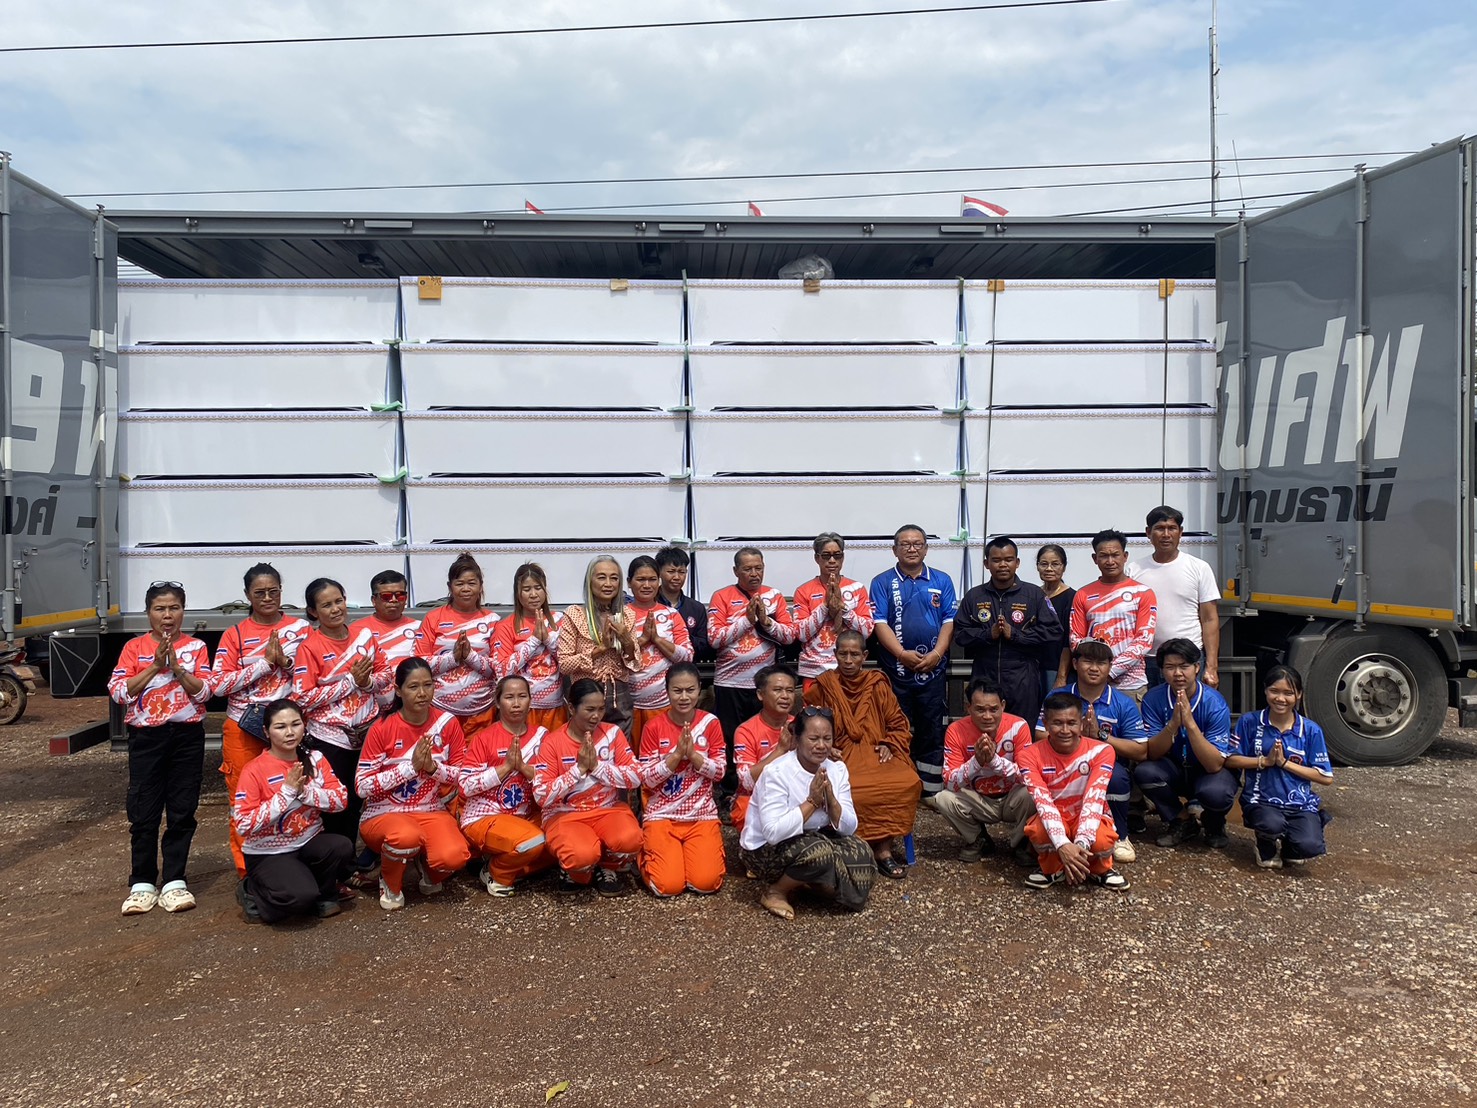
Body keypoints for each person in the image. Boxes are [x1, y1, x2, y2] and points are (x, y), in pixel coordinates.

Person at [110, 582, 212, 915]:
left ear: (183, 611)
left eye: (174, 608)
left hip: (186, 736)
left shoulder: (196, 647)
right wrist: (155, 665)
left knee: (182, 808)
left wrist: (177, 668)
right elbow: (119, 692)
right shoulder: (133, 647)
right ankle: (141, 882)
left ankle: (174, 881)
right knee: (144, 809)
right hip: (146, 739)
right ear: (148, 613)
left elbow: (205, 692)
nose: (167, 616)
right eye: (160, 609)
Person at [210, 563, 311, 880]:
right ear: (247, 595)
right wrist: (265, 665)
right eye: (259, 593)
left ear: (282, 591)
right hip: (244, 728)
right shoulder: (235, 634)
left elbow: (313, 674)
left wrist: (287, 662)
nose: (267, 598)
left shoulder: (301, 629)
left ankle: (299, 867)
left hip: (289, 730)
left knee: (298, 797)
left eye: (273, 591)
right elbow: (218, 685)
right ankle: (248, 876)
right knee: (243, 802)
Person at [738, 706, 876, 919]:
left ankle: (809, 879)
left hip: (815, 837)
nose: (821, 746)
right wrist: (812, 802)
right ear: (797, 739)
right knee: (819, 852)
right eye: (813, 739)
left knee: (862, 852)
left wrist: (831, 800)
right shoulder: (776, 772)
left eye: (827, 739)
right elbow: (773, 833)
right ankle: (775, 892)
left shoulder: (837, 769)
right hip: (766, 849)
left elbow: (849, 828)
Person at [804, 629, 921, 879]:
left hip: (875, 750)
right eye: (843, 654)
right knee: (854, 787)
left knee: (905, 782)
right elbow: (807, 726)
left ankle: (883, 849)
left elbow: (897, 724)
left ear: (864, 656)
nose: (848, 661)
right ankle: (854, 845)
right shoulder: (825, 685)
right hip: (839, 754)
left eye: (854, 655)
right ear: (835, 654)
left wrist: (890, 743)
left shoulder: (877, 684)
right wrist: (825, 746)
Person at [356, 658, 471, 911]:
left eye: (428, 685)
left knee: (455, 856)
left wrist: (433, 769)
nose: (422, 693)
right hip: (384, 813)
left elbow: (462, 777)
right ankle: (390, 882)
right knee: (405, 837)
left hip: (430, 810)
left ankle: (427, 869)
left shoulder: (447, 723)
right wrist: (410, 768)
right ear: (398, 690)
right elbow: (362, 786)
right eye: (413, 687)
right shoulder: (382, 727)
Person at [231, 699, 355, 923]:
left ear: (304, 725)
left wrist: (305, 793)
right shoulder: (254, 769)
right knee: (299, 898)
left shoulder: (315, 759)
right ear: (266, 732)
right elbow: (243, 824)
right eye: (280, 727)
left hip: (307, 842)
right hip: (268, 852)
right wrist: (286, 794)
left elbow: (341, 800)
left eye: (295, 724)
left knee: (341, 846)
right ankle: (251, 889)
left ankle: (323, 895)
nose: (290, 732)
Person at [531, 678, 644, 896]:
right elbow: (541, 796)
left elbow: (637, 777)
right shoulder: (552, 742)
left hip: (607, 810)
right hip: (565, 815)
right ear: (571, 708)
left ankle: (606, 866)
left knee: (631, 839)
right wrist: (578, 770)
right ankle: (578, 871)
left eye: (601, 709)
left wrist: (598, 767)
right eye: (590, 709)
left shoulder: (612, 733)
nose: (596, 716)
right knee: (581, 855)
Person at [869, 525, 957, 800]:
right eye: (905, 544)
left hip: (933, 670)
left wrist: (937, 654)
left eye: (917, 543)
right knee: (896, 727)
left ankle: (930, 790)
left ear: (926, 549)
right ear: (894, 550)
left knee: (932, 728)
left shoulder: (942, 580)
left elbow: (949, 621)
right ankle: (900, 787)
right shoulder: (882, 582)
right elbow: (879, 622)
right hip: (896, 670)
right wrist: (901, 654)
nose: (911, 548)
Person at [292, 577, 383, 845]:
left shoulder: (365, 636)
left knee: (361, 800)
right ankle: (337, 862)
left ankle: (354, 857)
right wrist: (350, 682)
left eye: (339, 601)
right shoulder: (309, 647)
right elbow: (302, 698)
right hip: (330, 738)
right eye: (326, 605)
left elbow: (387, 675)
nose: (335, 609)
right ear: (313, 612)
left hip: (368, 734)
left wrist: (367, 683)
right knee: (335, 804)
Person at [1041, 640, 1150, 863]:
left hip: (1108, 767)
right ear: (1075, 664)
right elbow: (1039, 735)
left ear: (1110, 667)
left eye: (1101, 663)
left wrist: (1101, 737)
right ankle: (1059, 833)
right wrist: (1077, 738)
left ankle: (1120, 835)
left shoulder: (1123, 703)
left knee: (1116, 776)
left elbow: (1140, 750)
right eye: (1088, 661)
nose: (1094, 668)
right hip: (1064, 763)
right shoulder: (1058, 696)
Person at [708, 547, 797, 805]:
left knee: (762, 739)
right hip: (729, 683)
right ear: (736, 571)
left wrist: (765, 621)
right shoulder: (722, 596)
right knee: (729, 738)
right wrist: (746, 621)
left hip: (764, 686)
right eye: (747, 569)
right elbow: (714, 639)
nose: (754, 573)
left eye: (758, 568)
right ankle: (730, 792)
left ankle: (766, 789)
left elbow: (790, 636)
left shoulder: (774, 596)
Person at [1017, 692, 1129, 891]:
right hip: (1054, 813)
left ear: (1082, 723)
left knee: (1101, 840)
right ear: (1045, 724)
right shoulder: (1028, 755)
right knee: (1039, 832)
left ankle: (1099, 869)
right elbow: (1042, 801)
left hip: (1086, 814)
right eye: (1057, 723)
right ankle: (1052, 868)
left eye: (1071, 723)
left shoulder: (1102, 751)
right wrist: (1062, 844)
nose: (1065, 730)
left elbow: (1094, 799)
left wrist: (1081, 846)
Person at [1224, 666, 1333, 868]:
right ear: (1265, 690)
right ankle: (1265, 844)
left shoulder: (1311, 730)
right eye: (1274, 691)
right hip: (1261, 800)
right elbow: (1230, 759)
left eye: (1288, 693)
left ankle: (1293, 845)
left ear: (1299, 694)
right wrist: (1264, 761)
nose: (1280, 699)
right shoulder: (1249, 722)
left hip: (1300, 804)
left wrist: (1284, 763)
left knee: (1309, 846)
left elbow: (1325, 777)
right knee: (1270, 825)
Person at [1133, 638, 1236, 850]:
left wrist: (1190, 724)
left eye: (1184, 666)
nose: (1178, 673)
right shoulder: (1154, 698)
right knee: (1145, 772)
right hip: (1174, 767)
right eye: (1170, 667)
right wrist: (1172, 725)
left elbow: (1214, 764)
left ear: (1197, 667)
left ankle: (1214, 822)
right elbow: (1152, 753)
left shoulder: (1214, 702)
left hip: (1205, 770)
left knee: (1217, 792)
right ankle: (1181, 820)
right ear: (1162, 671)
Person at [458, 674, 555, 897]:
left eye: (522, 696)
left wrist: (524, 768)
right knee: (533, 841)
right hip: (486, 817)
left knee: (561, 838)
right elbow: (465, 785)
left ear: (530, 700)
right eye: (509, 697)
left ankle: (510, 863)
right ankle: (497, 872)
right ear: (498, 702)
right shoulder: (484, 738)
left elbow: (552, 779)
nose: (516, 703)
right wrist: (504, 769)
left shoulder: (542, 736)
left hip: (525, 815)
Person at [953, 536, 1061, 734]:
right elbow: (960, 634)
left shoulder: (1034, 595)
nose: (1003, 565)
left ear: (1017, 562)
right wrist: (988, 634)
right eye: (996, 560)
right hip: (985, 675)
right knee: (984, 731)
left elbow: (1053, 631)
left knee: (1022, 731)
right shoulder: (974, 596)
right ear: (986, 563)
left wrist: (1017, 635)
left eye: (1008, 559)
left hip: (1022, 676)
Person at [637, 663, 726, 897]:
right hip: (662, 814)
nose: (684, 697)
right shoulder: (653, 726)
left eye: (690, 690)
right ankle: (645, 855)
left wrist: (694, 756)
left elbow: (720, 772)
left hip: (701, 814)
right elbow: (646, 779)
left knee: (706, 883)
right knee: (667, 887)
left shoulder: (711, 723)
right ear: (667, 691)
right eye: (677, 691)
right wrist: (676, 757)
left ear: (699, 689)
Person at [936, 678, 1034, 864]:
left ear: (1003, 706)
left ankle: (1021, 842)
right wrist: (977, 762)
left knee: (1033, 792)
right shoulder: (955, 731)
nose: (987, 716)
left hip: (1012, 798)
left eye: (993, 709)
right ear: (968, 708)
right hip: (979, 799)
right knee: (943, 798)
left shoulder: (1018, 726)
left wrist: (995, 761)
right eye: (980, 710)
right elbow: (949, 781)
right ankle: (978, 839)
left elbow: (1029, 776)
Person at [1127, 506, 1222, 689]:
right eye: (1159, 528)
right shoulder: (1133, 570)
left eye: (1172, 528)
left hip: (1186, 660)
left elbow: (1209, 618)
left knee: (1186, 707)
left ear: (1181, 532)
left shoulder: (1199, 568)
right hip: (1144, 660)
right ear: (1148, 532)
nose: (1166, 534)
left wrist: (1212, 667)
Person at [1059, 529, 1156, 701]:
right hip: (1091, 684)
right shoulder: (1083, 594)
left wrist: (1110, 671)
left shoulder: (1143, 593)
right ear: (1095, 558)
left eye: (1115, 555)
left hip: (1131, 685)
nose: (1110, 561)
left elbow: (1144, 640)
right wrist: (1096, 670)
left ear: (1125, 556)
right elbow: (1075, 640)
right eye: (1103, 556)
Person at [558, 555, 642, 738]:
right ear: (590, 581)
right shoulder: (575, 614)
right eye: (601, 577)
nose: (608, 584)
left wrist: (627, 641)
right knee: (586, 745)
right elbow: (564, 665)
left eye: (614, 578)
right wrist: (601, 649)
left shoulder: (627, 615)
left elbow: (635, 662)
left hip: (619, 695)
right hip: (586, 694)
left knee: (620, 747)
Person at [416, 554, 499, 736]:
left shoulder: (492, 620)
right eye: (459, 584)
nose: (466, 589)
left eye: (472, 583)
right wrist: (453, 658)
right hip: (439, 711)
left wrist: (470, 657)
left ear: (480, 586)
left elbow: (500, 668)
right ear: (450, 587)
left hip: (483, 713)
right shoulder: (433, 618)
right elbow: (419, 665)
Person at [789, 532, 876, 685]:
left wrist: (844, 609)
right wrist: (825, 606)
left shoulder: (857, 588)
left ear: (843, 557)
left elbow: (866, 631)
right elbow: (801, 634)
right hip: (814, 671)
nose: (832, 561)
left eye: (837, 555)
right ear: (817, 558)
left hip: (849, 669)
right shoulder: (803, 591)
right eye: (826, 556)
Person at [625, 554, 694, 744]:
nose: (647, 585)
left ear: (659, 581)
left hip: (665, 705)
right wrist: (643, 640)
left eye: (652, 579)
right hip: (630, 706)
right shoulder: (620, 616)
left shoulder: (671, 615)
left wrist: (657, 639)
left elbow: (687, 657)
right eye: (641, 579)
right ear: (629, 582)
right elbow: (615, 658)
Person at [491, 562, 567, 732]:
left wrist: (548, 640)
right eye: (526, 589)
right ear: (517, 593)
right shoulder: (505, 626)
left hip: (555, 709)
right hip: (523, 711)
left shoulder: (560, 620)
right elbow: (501, 671)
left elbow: (568, 664)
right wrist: (533, 642)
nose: (533, 594)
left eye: (538, 588)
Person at [731, 665, 798, 833]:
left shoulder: (801, 725)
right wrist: (780, 751)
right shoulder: (746, 731)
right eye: (777, 690)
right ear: (760, 694)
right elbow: (746, 781)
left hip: (794, 793)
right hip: (757, 796)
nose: (785, 696)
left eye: (790, 691)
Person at [350, 569, 420, 710]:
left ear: (406, 598)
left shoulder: (420, 628)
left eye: (399, 595)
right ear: (373, 600)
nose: (393, 600)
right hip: (370, 710)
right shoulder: (356, 631)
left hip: (412, 707)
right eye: (386, 596)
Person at [654, 546, 713, 664]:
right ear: (659, 572)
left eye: (682, 572)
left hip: (686, 669)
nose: (677, 577)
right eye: (671, 571)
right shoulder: (650, 604)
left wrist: (679, 636)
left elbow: (704, 646)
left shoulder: (697, 608)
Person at [1035, 544, 1075, 702]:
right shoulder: (1032, 594)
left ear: (1064, 567)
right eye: (1044, 564)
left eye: (1055, 564)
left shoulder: (1072, 597)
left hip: (1058, 667)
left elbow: (1069, 640)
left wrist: (1061, 677)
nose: (1049, 569)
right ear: (1037, 566)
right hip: (1032, 667)